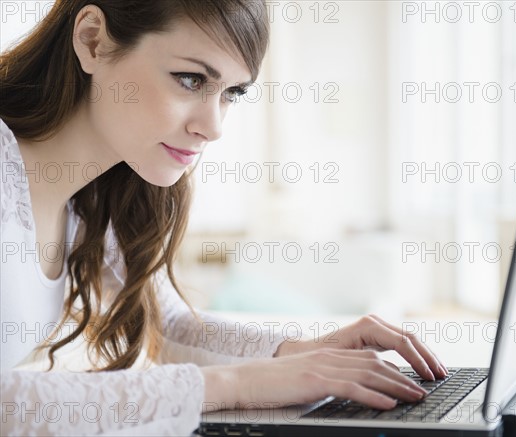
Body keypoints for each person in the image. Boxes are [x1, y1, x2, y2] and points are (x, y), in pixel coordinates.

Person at [0, 0, 447, 434]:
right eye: (190, 79)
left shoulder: (93, 197)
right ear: (92, 41)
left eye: (232, 92)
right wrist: (241, 383)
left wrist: (305, 355)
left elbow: (166, 324)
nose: (214, 128)